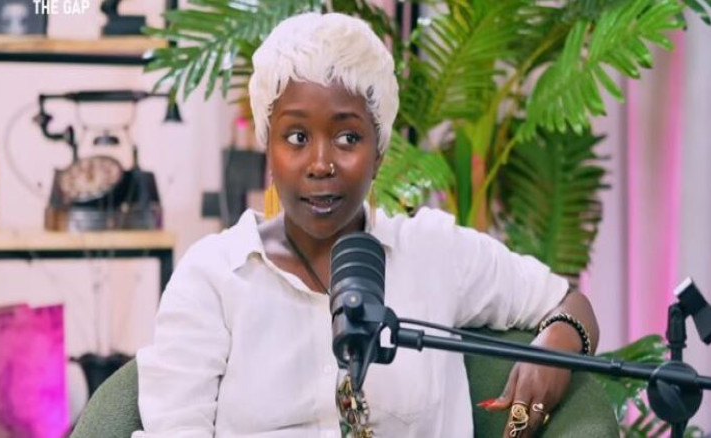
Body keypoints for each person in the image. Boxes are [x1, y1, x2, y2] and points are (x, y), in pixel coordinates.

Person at [133, 12, 599, 438]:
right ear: (267, 148)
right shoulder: (213, 276)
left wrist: (554, 350)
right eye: (297, 136)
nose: (320, 163)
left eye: (347, 137)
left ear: (379, 151)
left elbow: (567, 302)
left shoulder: (434, 252)